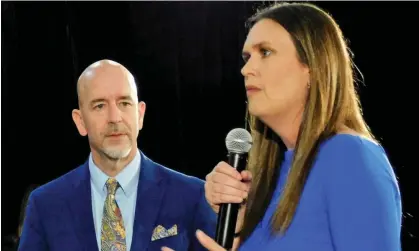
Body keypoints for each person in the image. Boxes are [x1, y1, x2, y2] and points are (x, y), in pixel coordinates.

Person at [163, 2, 402, 251]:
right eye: (246, 57)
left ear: (312, 66)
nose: (246, 69)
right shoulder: (271, 177)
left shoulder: (349, 156)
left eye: (265, 52)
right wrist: (237, 225)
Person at [18, 59, 217, 251]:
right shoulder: (45, 205)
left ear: (140, 115)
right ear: (80, 122)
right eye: (100, 106)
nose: (114, 118)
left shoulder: (193, 196)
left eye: (124, 103)